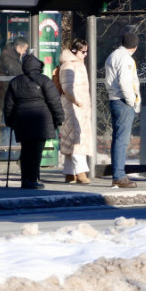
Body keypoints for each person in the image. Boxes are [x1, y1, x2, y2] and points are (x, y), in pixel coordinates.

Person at [3, 53, 64, 189]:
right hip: (41, 121)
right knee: (36, 152)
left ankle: (25, 180)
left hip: (22, 121)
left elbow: (8, 105)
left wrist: (9, 121)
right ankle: (32, 180)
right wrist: (59, 118)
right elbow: (54, 101)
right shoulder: (44, 80)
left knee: (26, 151)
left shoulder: (15, 82)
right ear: (38, 66)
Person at [104, 32, 141, 188]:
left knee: (117, 139)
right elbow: (125, 82)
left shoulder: (112, 56)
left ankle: (117, 174)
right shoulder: (126, 59)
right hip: (123, 101)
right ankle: (119, 176)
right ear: (135, 46)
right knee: (122, 140)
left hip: (114, 99)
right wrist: (132, 101)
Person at [58, 39, 92, 184]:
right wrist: (78, 101)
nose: (85, 54)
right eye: (83, 51)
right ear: (74, 51)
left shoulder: (76, 64)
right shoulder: (69, 65)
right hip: (73, 108)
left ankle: (69, 173)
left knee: (71, 140)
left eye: (86, 51)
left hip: (77, 108)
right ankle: (80, 172)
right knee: (77, 141)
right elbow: (67, 87)